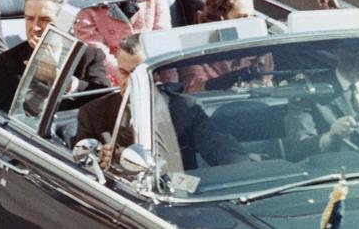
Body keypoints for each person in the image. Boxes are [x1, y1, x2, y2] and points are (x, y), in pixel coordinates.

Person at [75, 34, 249, 169]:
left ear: (156, 74)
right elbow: (82, 165)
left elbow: (221, 148)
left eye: (137, 74)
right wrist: (100, 161)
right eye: (123, 72)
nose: (129, 82)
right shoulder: (93, 114)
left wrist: (241, 166)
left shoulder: (184, 109)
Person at [0, 0, 110, 113]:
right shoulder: (6, 61)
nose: (35, 27)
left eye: (45, 20)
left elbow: (103, 99)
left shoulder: (88, 56)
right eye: (29, 19)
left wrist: (61, 80)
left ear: (65, 21)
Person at [284, 46, 359, 162]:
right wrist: (330, 137)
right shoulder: (308, 91)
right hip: (331, 176)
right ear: (336, 51)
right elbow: (296, 150)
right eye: (354, 50)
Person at [180, 0, 274, 92]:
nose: (250, 22)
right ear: (221, 19)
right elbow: (193, 88)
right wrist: (226, 80)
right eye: (242, 17)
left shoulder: (261, 50)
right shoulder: (194, 50)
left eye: (252, 16)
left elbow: (267, 85)